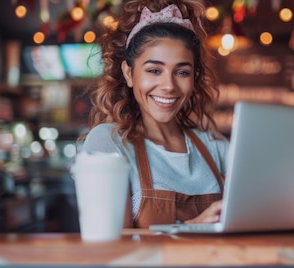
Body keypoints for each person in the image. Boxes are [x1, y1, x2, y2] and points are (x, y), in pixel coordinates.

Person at [80, 0, 228, 228]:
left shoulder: (213, 146)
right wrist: (192, 228)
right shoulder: (109, 142)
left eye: (181, 72)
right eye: (154, 70)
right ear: (129, 74)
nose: (168, 85)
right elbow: (111, 251)